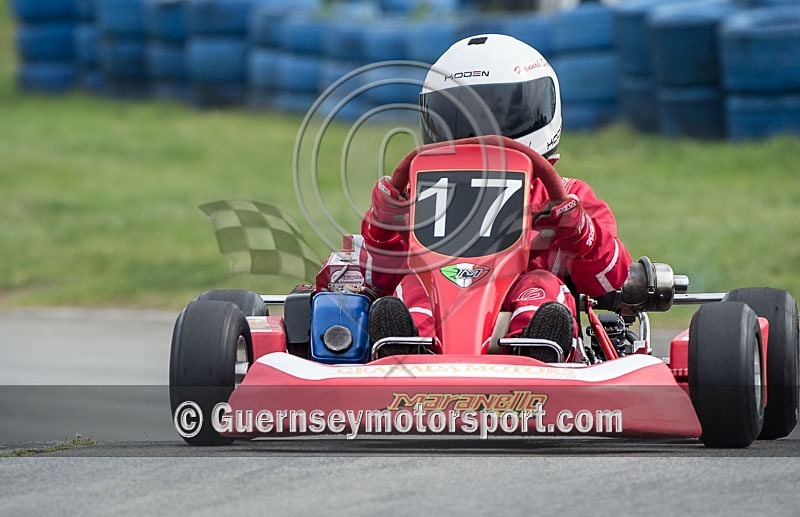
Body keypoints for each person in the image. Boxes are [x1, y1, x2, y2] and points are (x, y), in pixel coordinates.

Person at [359, 34, 632, 361]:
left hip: (524, 328)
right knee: (410, 288)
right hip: (436, 327)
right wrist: (384, 226)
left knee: (545, 288)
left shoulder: (568, 196)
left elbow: (611, 278)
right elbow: (378, 279)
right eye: (459, 116)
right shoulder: (417, 195)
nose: (478, 136)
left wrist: (580, 233)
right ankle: (405, 353)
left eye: (495, 115)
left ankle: (533, 356)